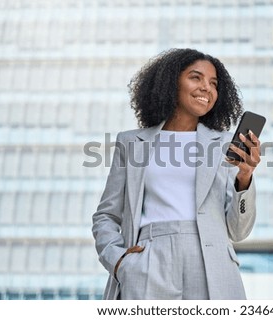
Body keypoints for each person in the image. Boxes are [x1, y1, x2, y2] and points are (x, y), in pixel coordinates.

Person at [92, 48, 261, 300]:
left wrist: (244, 178)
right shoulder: (131, 143)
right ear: (171, 82)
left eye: (213, 83)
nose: (207, 88)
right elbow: (106, 214)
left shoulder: (225, 145)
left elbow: (238, 231)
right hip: (149, 260)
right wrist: (119, 262)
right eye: (196, 78)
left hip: (212, 263)